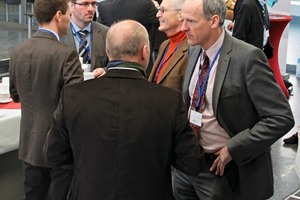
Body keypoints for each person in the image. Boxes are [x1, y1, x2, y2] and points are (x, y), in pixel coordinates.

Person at [43, 19, 205, 199]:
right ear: (145, 52)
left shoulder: (72, 96)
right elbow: (192, 163)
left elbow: (53, 155)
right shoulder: (169, 101)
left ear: (107, 52)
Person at [173, 0, 295, 199]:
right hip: (188, 165)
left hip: (223, 170)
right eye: (182, 19)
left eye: (191, 21)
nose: (183, 27)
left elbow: (281, 118)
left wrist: (233, 148)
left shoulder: (247, 58)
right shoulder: (195, 49)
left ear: (214, 21)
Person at [9, 0, 84, 199]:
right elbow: (75, 102)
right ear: (58, 15)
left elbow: (15, 94)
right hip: (60, 148)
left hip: (29, 147)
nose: (70, 20)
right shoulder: (67, 55)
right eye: (68, 15)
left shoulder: (18, 50)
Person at [97, 0, 167, 76]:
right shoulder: (146, 4)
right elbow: (163, 23)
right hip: (140, 67)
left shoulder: (104, 6)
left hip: (111, 68)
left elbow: (100, 32)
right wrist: (159, 8)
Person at [148, 0, 188, 91]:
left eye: (163, 10)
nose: (158, 15)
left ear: (181, 15)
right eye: (159, 10)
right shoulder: (164, 45)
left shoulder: (193, 49)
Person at [61, 0, 109, 74]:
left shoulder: (106, 33)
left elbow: (115, 64)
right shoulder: (59, 33)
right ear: (71, 6)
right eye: (85, 4)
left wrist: (105, 70)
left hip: (96, 83)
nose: (91, 9)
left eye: (93, 4)